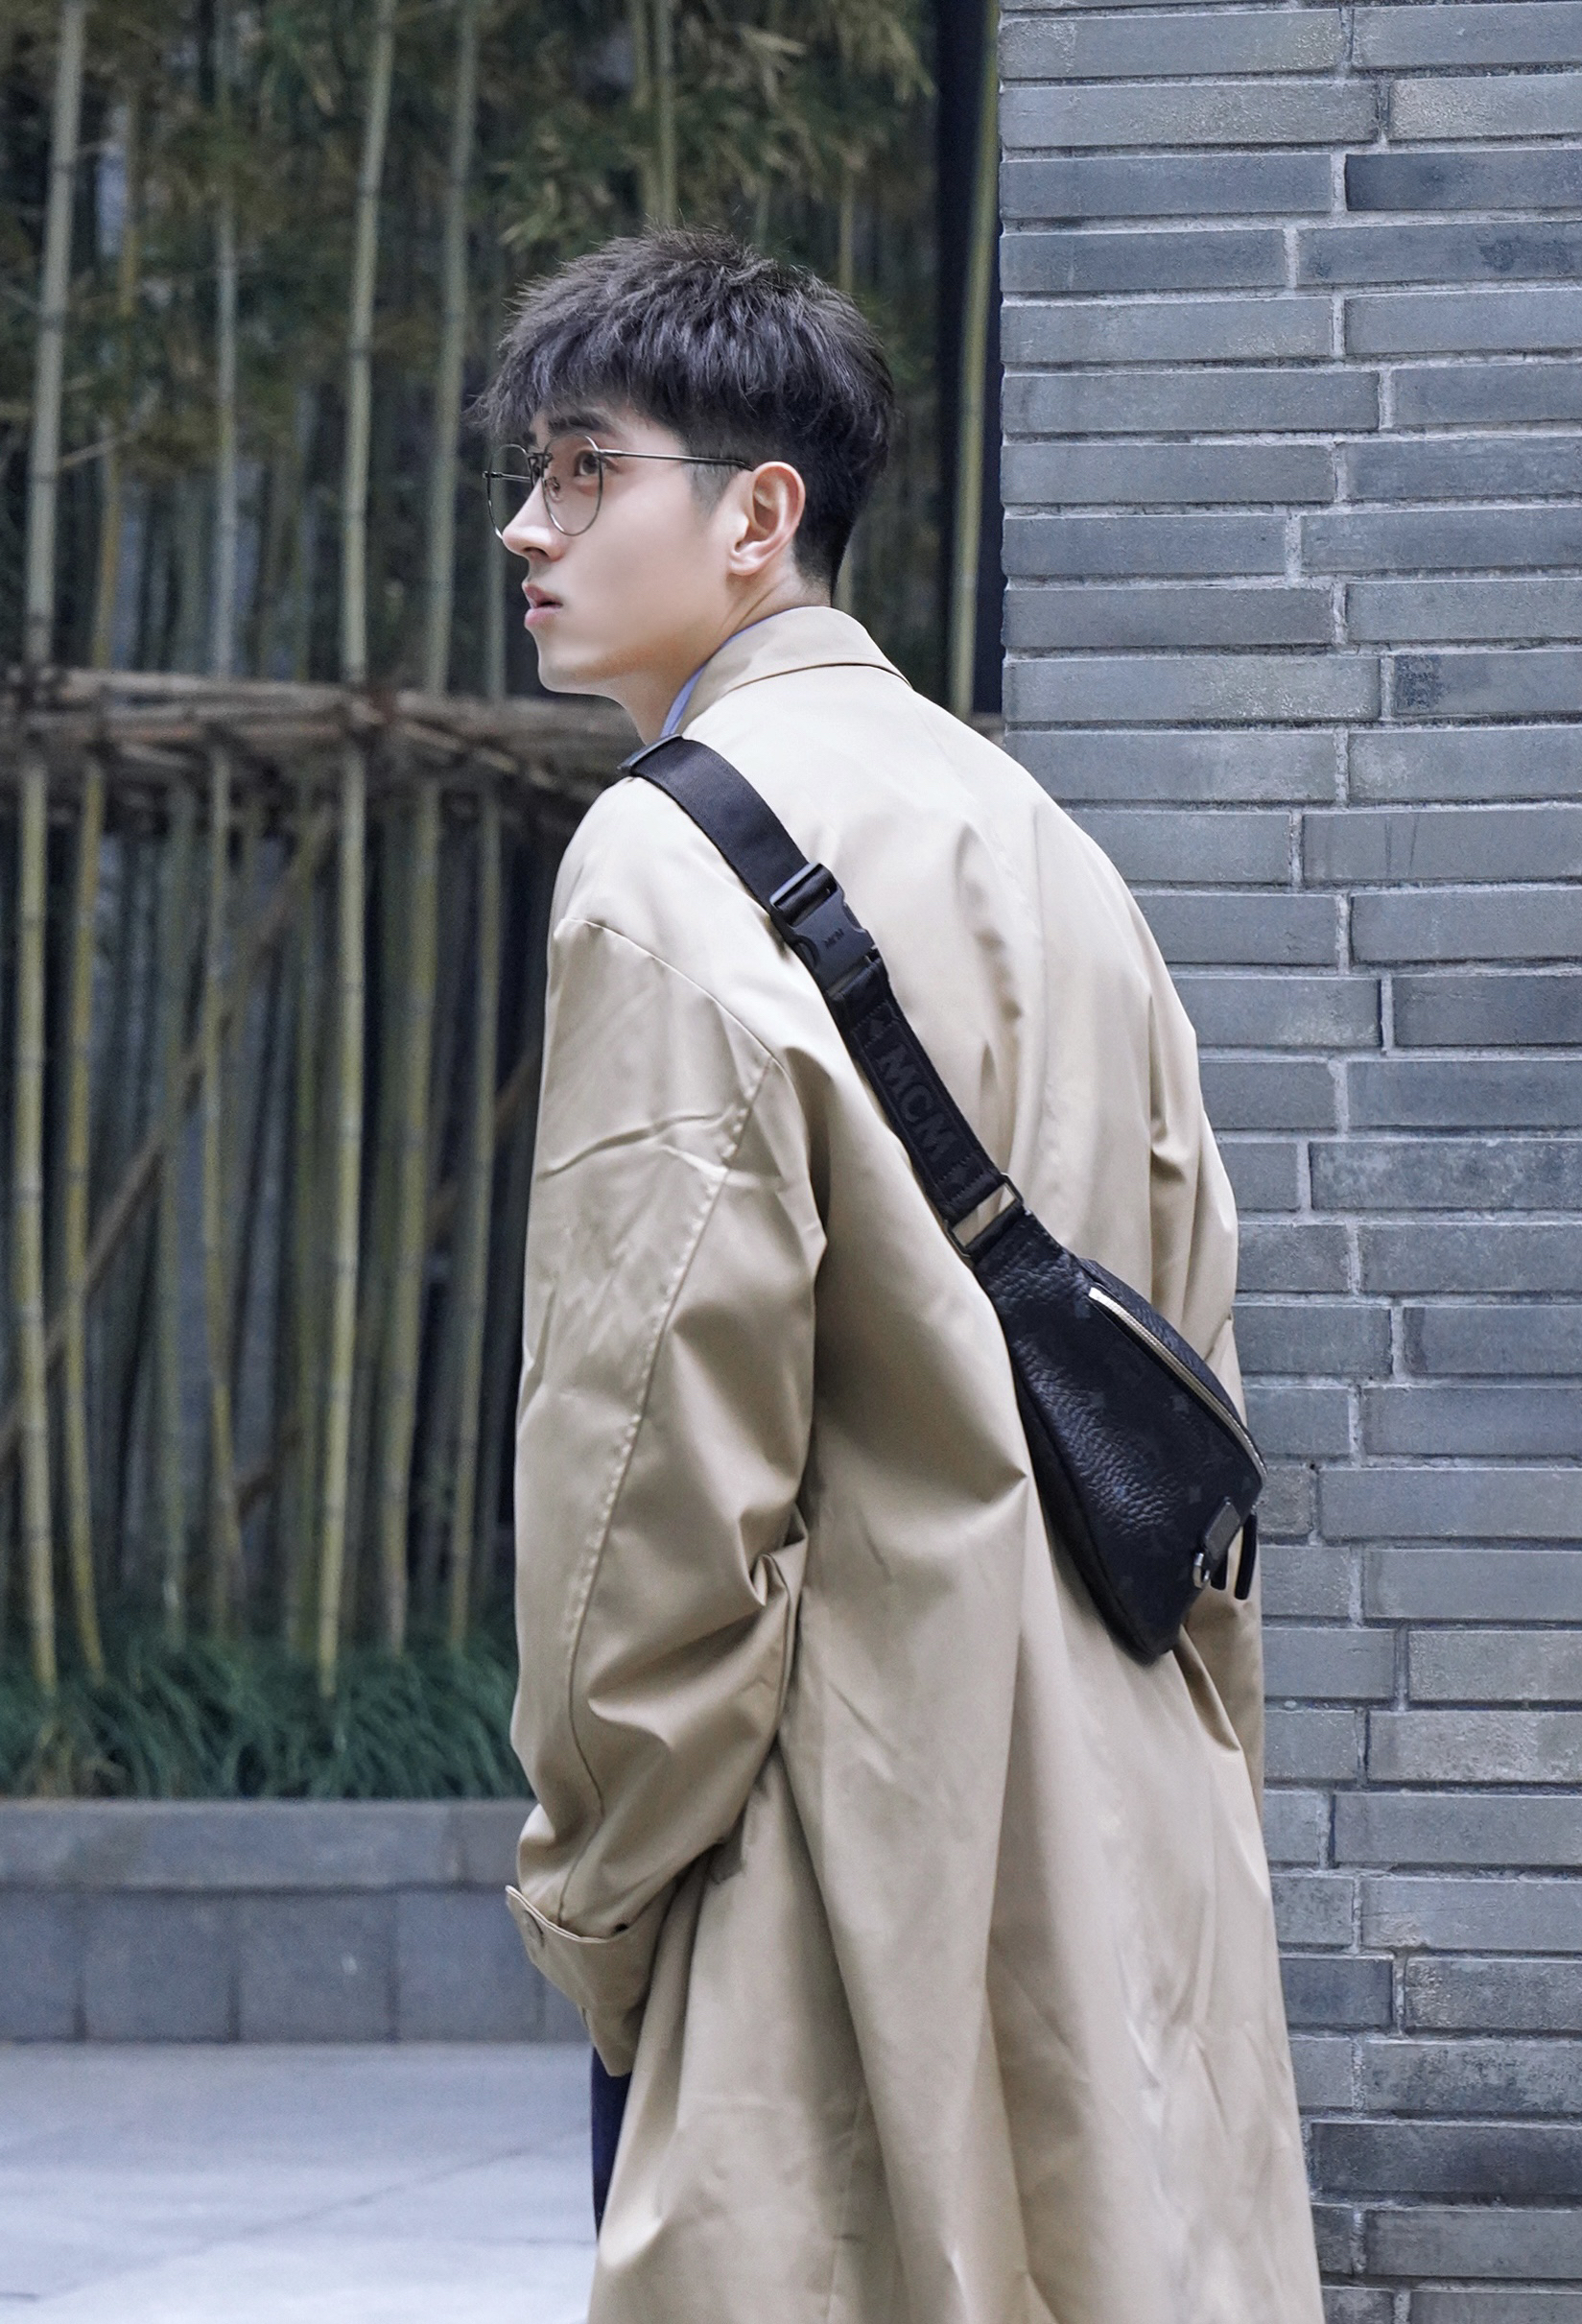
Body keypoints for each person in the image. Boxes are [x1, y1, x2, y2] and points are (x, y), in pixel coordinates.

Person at [481, 230, 1323, 2324]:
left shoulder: (663, 858)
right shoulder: (1038, 830)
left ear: (756, 512)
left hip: (840, 1839)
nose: (526, 525)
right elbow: (1190, 1351)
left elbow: (646, 1463)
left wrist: (597, 1883)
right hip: (1123, 1808)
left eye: (585, 468)